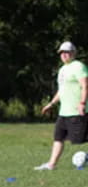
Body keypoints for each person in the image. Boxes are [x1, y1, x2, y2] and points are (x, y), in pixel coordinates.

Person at [35, 41, 88, 170]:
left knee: (81, 139)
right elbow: (61, 90)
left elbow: (85, 86)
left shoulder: (79, 66)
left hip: (77, 111)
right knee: (58, 137)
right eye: (62, 52)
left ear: (73, 53)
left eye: (67, 52)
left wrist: (82, 103)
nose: (64, 55)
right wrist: (51, 104)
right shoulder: (62, 69)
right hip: (64, 112)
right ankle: (51, 164)